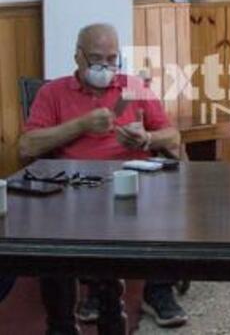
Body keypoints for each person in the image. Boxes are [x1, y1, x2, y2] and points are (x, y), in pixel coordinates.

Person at [19, 24, 189, 332]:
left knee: (163, 209)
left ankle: (158, 290)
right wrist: (81, 125)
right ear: (78, 58)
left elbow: (173, 135)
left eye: (112, 59)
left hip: (134, 179)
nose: (106, 68)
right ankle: (88, 297)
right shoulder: (53, 92)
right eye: (97, 59)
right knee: (60, 225)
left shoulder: (131, 87)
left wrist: (147, 139)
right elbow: (27, 145)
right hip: (77, 184)